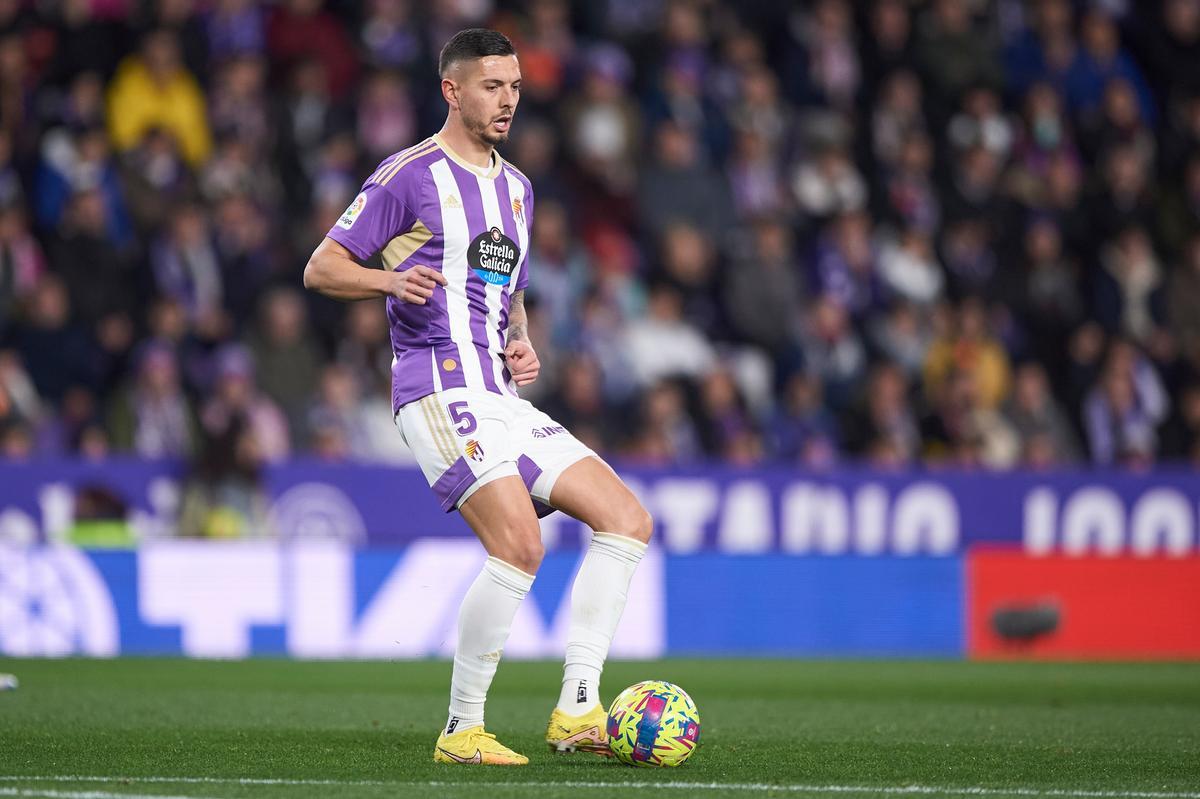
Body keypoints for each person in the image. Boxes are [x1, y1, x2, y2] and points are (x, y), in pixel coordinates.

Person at [302, 29, 653, 766]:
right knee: (520, 543)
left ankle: (578, 709)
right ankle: (462, 729)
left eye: (516, 87)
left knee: (626, 518)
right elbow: (322, 267)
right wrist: (389, 280)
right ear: (451, 90)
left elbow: (507, 291)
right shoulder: (409, 175)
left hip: (500, 392)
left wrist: (519, 338)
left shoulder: (516, 188)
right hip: (433, 385)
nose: (508, 101)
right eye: (493, 86)